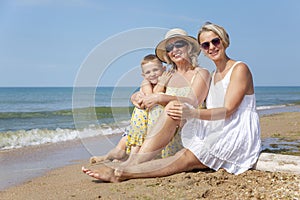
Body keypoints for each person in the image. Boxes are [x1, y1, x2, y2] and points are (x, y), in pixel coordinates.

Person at [90, 54, 172, 163]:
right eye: (148, 72)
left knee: (128, 140)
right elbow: (151, 100)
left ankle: (121, 156)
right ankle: (107, 157)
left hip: (152, 126)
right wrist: (162, 83)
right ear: (143, 75)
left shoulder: (169, 80)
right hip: (142, 127)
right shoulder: (146, 83)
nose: (152, 74)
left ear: (164, 69)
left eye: (155, 70)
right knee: (121, 146)